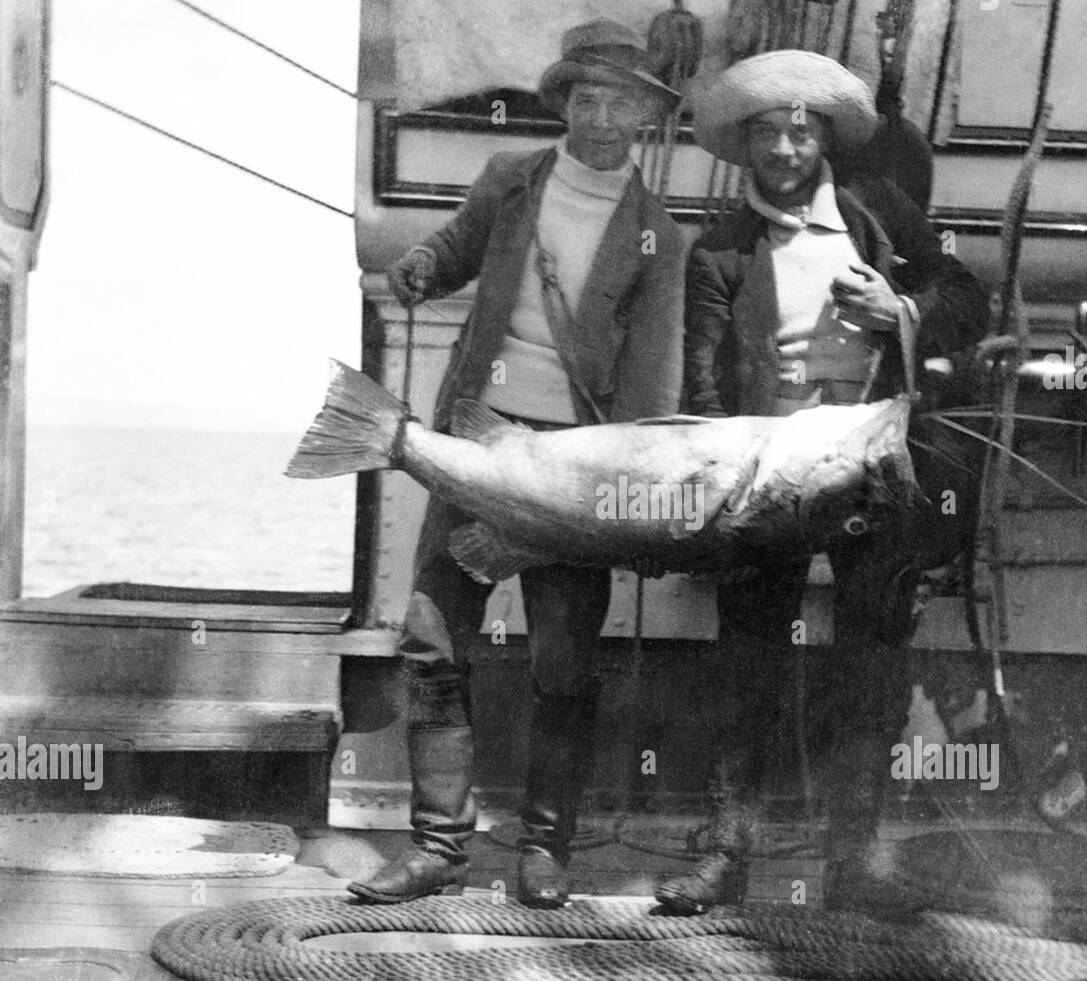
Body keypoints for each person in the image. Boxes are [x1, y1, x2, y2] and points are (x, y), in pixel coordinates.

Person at [348, 20, 684, 908]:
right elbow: (456, 250)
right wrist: (423, 262)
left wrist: (626, 497)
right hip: (476, 441)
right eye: (587, 96)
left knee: (563, 665)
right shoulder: (510, 181)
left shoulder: (659, 236)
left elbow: (651, 388)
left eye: (621, 100)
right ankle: (437, 845)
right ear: (564, 102)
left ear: (647, 114)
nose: (602, 115)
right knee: (431, 634)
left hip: (575, 475)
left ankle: (545, 849)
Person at [656, 50, 988, 914]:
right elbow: (702, 392)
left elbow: (967, 291)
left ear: (827, 136)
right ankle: (729, 855)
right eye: (768, 131)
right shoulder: (720, 251)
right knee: (749, 661)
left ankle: (854, 859)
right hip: (767, 474)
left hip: (872, 471)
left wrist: (903, 312)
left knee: (871, 661)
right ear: (745, 145)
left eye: (802, 129)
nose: (787, 147)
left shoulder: (883, 216)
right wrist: (720, 491)